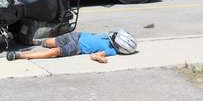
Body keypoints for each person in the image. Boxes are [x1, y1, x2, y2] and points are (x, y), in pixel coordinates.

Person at [7, 29, 137, 63]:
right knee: (49, 42)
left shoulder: (111, 51)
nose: (113, 36)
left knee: (55, 51)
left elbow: (95, 55)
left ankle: (20, 55)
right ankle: (40, 42)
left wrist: (100, 58)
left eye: (115, 38)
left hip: (77, 48)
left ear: (120, 47)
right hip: (77, 36)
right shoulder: (109, 36)